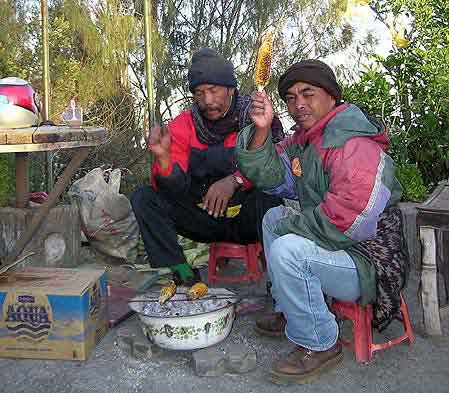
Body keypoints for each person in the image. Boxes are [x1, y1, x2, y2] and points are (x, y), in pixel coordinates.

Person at [236, 59, 408, 384]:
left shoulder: (354, 145)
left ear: (330, 95)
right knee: (274, 216)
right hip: (338, 249)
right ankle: (292, 310)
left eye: (307, 93)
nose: (298, 104)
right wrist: (261, 131)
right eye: (289, 97)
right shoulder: (306, 141)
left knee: (288, 248)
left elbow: (347, 221)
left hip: (368, 261)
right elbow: (271, 177)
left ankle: (320, 343)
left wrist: (292, 231)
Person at [131, 48, 284, 286]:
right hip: (202, 219)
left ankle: (280, 289)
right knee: (144, 198)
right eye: (199, 93)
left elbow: (275, 164)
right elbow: (174, 190)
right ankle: (182, 272)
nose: (207, 101)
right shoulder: (183, 125)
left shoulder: (253, 116)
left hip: (248, 219)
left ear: (230, 89)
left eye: (213, 91)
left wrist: (234, 181)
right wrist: (162, 158)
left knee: (271, 200)